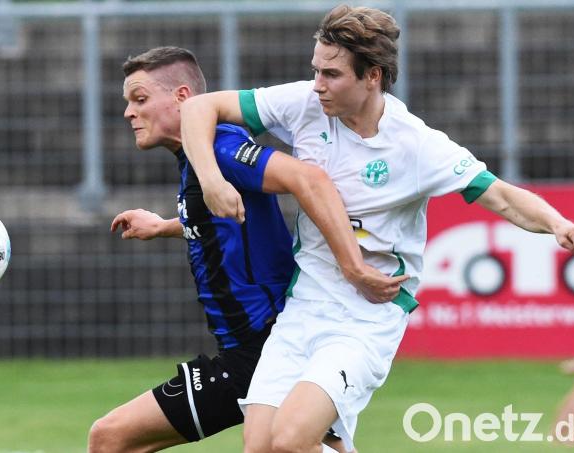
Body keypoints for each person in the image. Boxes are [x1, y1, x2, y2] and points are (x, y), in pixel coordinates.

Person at [179, 5, 574, 452]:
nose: (318, 84)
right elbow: (199, 109)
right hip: (304, 305)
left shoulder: (415, 145)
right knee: (260, 446)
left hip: (366, 317)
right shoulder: (305, 103)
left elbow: (499, 195)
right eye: (316, 71)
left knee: (289, 440)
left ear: (373, 77)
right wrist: (210, 180)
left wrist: (560, 223)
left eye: (332, 75)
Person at [87, 46, 405, 453]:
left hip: (262, 344)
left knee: (110, 437)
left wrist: (353, 266)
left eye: (141, 99)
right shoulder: (198, 160)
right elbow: (231, 224)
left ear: (183, 98)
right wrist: (166, 226)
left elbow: (308, 178)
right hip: (247, 347)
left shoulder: (220, 149)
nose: (130, 112)